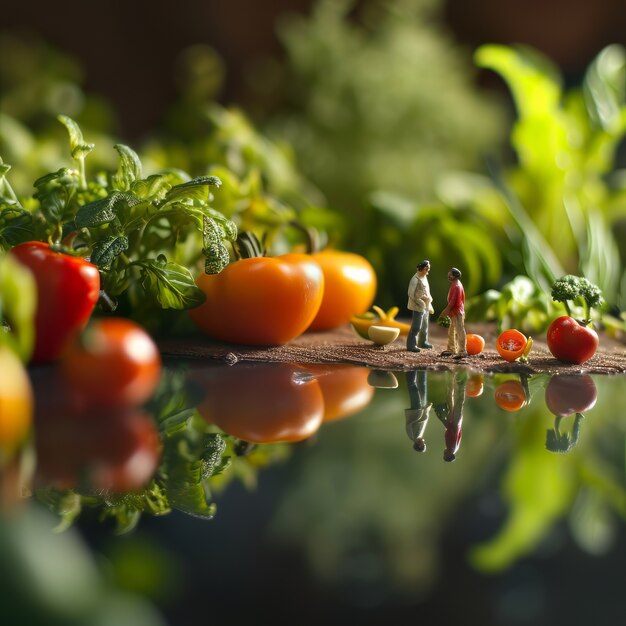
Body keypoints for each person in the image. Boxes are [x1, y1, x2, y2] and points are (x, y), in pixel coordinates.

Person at [439, 267, 467, 358]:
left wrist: (446, 310)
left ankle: (462, 351)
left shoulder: (456, 286)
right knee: (452, 330)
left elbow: (453, 301)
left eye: (450, 274)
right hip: (454, 311)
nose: (448, 276)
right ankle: (451, 349)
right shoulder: (455, 284)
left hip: (457, 311)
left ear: (454, 276)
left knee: (459, 330)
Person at [406, 260, 434, 353]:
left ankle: (423, 342)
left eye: (428, 268)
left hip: (426, 305)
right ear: (421, 268)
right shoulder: (415, 279)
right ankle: (411, 345)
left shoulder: (425, 277)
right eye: (426, 268)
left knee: (425, 325)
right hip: (418, 306)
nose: (428, 270)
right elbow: (411, 294)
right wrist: (420, 301)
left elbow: (427, 290)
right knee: (416, 327)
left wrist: (429, 299)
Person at [404, 370, 432, 452]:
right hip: (422, 409)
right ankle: (423, 369)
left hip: (417, 409)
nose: (424, 442)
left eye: (423, 444)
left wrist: (419, 414)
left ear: (419, 445)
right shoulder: (419, 435)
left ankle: (410, 370)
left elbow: (410, 423)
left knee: (413, 387)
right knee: (422, 387)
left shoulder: (413, 436)